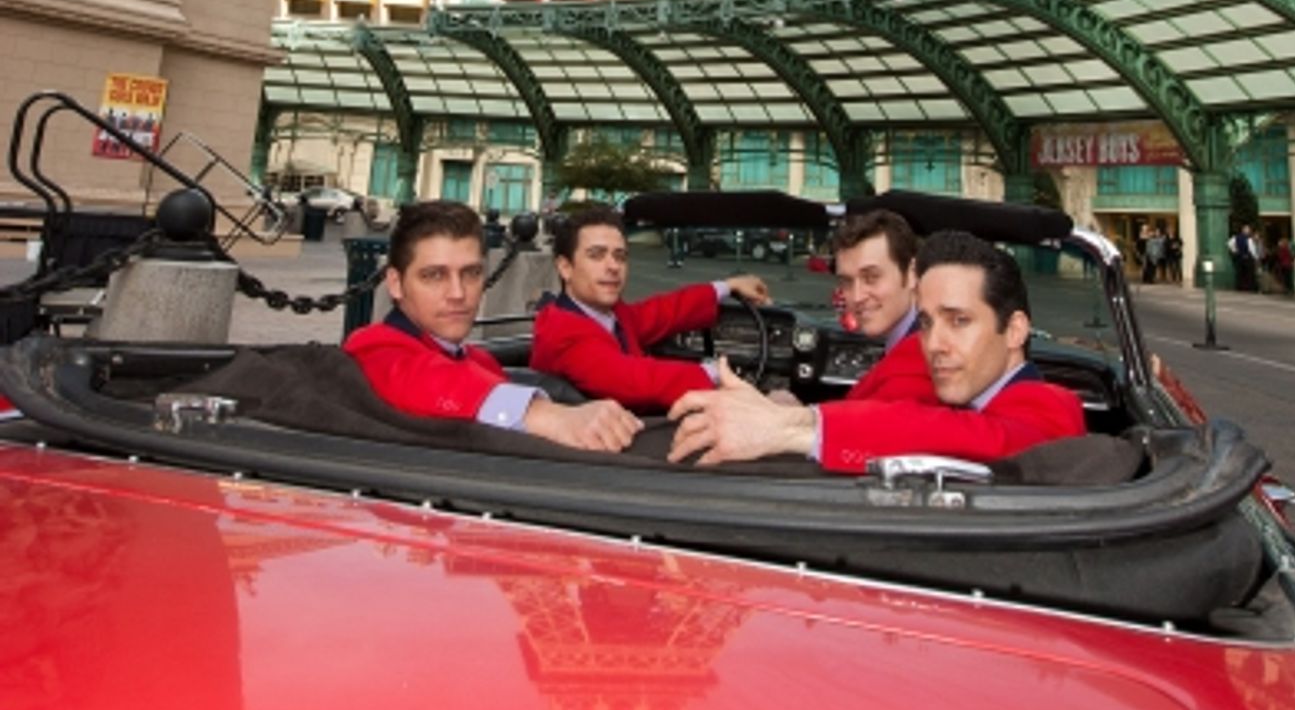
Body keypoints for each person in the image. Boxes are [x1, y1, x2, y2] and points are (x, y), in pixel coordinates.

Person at [668, 229, 1086, 474]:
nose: (934, 344)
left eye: (959, 320)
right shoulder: (975, 394)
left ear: (1014, 331)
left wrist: (791, 425)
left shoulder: (1053, 407)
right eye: (925, 322)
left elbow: (972, 440)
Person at [344, 200, 640, 452]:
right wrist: (550, 417)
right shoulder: (374, 346)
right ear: (395, 283)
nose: (458, 293)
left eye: (471, 273)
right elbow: (425, 379)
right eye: (434, 276)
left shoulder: (479, 360)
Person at [529, 203, 772, 412]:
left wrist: (726, 286)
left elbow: (661, 312)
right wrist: (719, 373)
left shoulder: (608, 314)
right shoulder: (562, 331)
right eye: (596, 255)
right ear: (565, 268)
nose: (613, 266)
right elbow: (635, 381)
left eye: (620, 256)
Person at [828, 209, 935, 403]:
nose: (857, 297)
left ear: (912, 273)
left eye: (871, 278)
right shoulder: (914, 339)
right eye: (847, 282)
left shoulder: (923, 362)